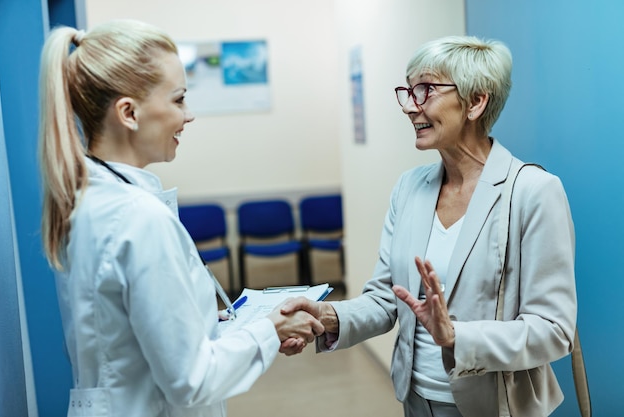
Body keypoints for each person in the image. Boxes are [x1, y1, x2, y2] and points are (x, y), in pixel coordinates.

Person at [38, 19, 322, 417]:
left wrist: (207, 320)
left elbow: (127, 334)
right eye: (178, 100)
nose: (188, 116)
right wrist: (270, 329)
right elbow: (191, 381)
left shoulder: (89, 201)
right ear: (129, 113)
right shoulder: (138, 218)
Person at [282, 35, 576, 417]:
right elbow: (388, 297)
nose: (410, 107)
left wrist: (456, 336)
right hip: (415, 400)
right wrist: (327, 317)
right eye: (408, 91)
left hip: (494, 405)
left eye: (425, 90)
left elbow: (554, 330)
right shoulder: (409, 188)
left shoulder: (533, 192)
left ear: (475, 102)